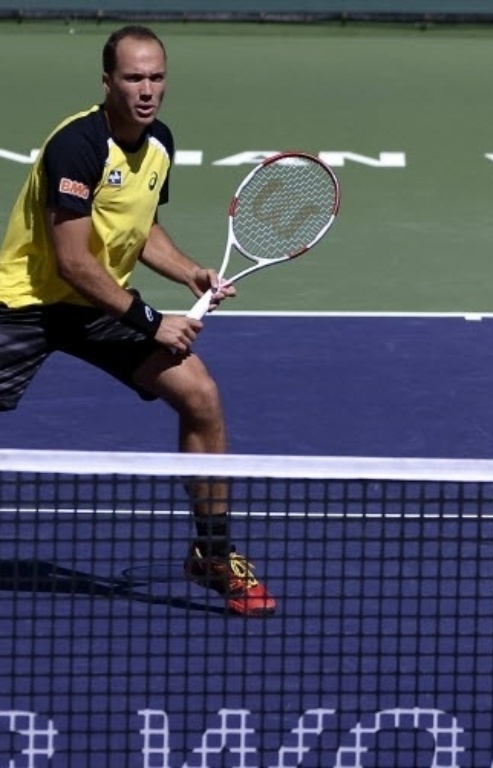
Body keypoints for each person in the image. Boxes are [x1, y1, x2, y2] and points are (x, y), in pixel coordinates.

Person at [0, 25, 276, 617]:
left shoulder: (159, 143)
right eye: (133, 78)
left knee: (199, 394)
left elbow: (141, 226)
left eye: (156, 77)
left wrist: (189, 272)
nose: (146, 90)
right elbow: (73, 262)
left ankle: (212, 552)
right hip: (24, 306)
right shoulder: (75, 145)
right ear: (107, 83)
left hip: (99, 307)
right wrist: (154, 322)